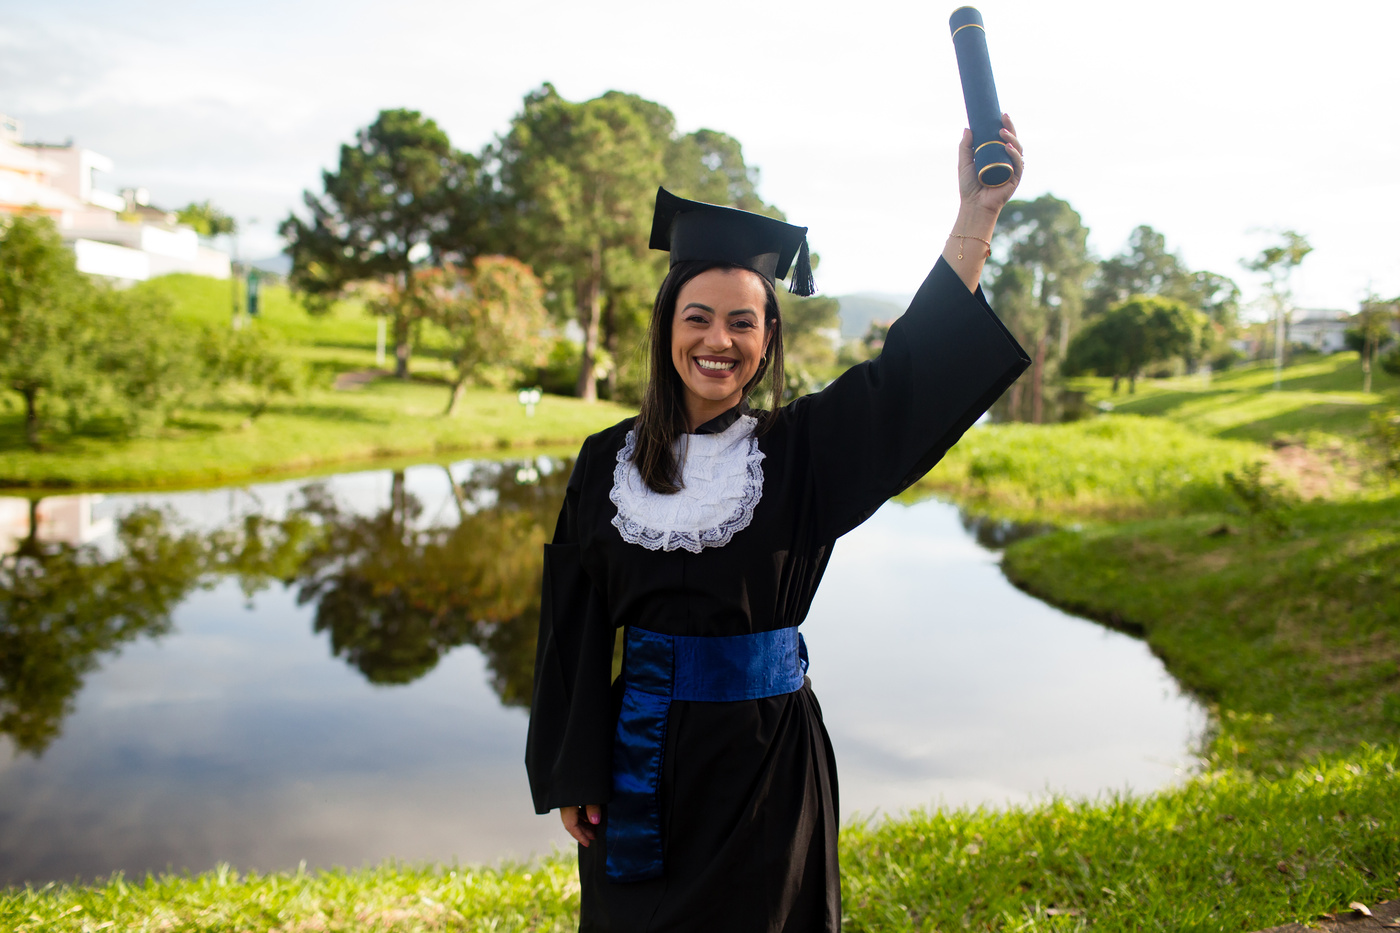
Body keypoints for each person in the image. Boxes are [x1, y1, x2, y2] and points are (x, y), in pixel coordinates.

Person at [526, 117, 1030, 932]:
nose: (717, 340)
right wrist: (574, 766)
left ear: (767, 339)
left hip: (766, 763)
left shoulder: (799, 453)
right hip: (635, 758)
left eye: (742, 322)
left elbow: (909, 376)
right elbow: (572, 623)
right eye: (697, 317)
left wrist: (978, 213)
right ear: (666, 327)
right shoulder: (604, 461)